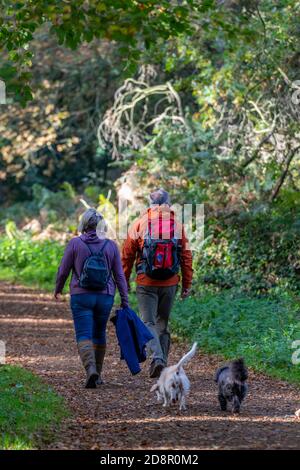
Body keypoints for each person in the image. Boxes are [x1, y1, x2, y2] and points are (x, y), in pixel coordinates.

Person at [122, 189, 193, 378]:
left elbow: (127, 256)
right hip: (170, 282)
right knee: (163, 321)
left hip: (146, 282)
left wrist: (124, 281)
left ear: (149, 204)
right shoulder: (177, 225)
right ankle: (162, 363)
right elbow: (186, 256)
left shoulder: (139, 224)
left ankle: (158, 358)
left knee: (148, 321)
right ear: (168, 203)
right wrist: (187, 284)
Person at [54, 208, 128, 388]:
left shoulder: (75, 243)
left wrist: (58, 289)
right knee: (99, 333)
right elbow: (119, 275)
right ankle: (98, 374)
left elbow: (64, 270)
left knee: (84, 334)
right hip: (105, 296)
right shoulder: (110, 246)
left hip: (81, 295)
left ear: (84, 224)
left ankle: (91, 370)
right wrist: (125, 299)